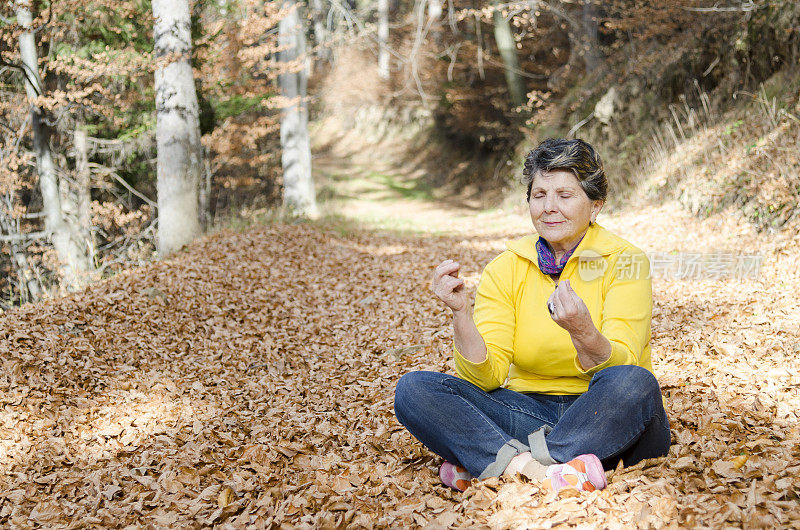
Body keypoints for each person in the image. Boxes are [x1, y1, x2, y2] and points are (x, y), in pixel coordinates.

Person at [394, 138, 671, 493]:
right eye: (539, 195)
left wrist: (583, 332)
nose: (549, 207)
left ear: (595, 206)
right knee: (414, 389)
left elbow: (623, 363)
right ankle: (546, 470)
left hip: (605, 413)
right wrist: (462, 314)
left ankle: (497, 462)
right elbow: (487, 377)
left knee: (635, 382)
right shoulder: (505, 268)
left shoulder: (626, 261)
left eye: (564, 195)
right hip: (526, 411)